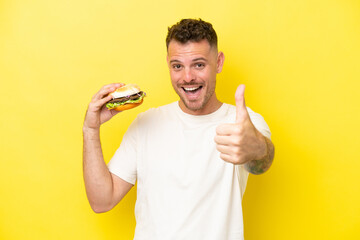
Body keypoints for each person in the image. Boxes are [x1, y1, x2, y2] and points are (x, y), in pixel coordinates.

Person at [83, 18, 274, 240]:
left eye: (199, 64)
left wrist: (257, 149)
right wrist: (90, 128)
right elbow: (102, 201)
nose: (187, 77)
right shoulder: (145, 124)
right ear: (168, 64)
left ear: (219, 62)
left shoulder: (244, 124)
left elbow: (262, 161)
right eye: (177, 66)